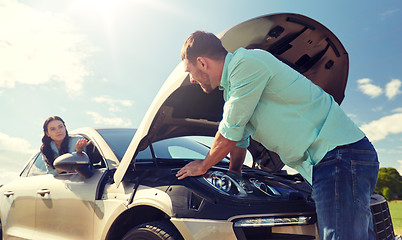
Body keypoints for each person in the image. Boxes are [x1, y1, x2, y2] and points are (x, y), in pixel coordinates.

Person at [175, 31, 379, 240]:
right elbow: (239, 140)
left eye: (189, 71)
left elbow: (230, 130)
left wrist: (204, 164)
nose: (191, 79)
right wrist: (234, 174)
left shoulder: (246, 62)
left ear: (201, 62)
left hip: (339, 155)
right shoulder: (232, 91)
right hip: (333, 160)